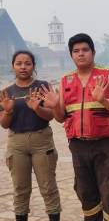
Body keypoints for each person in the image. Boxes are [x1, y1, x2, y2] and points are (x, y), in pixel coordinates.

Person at [40, 33, 109, 221]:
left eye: (85, 50)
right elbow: (61, 118)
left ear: (93, 52)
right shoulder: (65, 81)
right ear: (71, 55)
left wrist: (103, 99)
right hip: (78, 147)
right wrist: (55, 105)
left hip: (107, 146)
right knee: (86, 194)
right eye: (76, 51)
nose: (81, 54)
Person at [0, 50, 61, 221]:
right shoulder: (6, 92)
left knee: (48, 187)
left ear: (33, 66)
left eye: (27, 63)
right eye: (19, 63)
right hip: (17, 143)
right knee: (20, 189)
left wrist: (37, 108)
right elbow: (4, 124)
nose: (23, 67)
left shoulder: (42, 87)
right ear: (13, 66)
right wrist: (8, 110)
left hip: (41, 140)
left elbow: (51, 116)